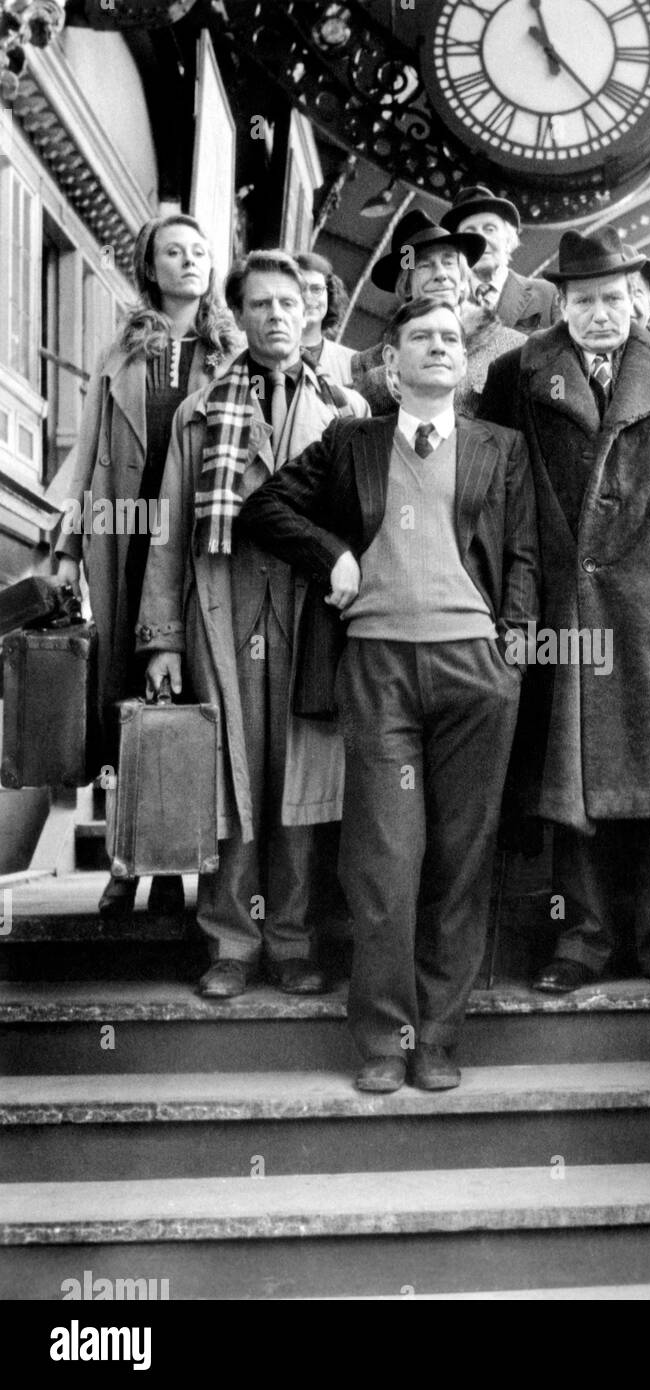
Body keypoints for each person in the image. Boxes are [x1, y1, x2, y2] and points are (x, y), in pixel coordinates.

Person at [238, 296, 539, 1092]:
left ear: (465, 362)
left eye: (450, 338)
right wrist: (330, 553)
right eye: (420, 338)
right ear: (392, 363)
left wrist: (511, 647)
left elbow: (528, 558)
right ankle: (382, 1040)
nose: (438, 347)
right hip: (377, 669)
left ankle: (437, 1038)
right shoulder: (351, 441)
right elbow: (262, 507)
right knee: (384, 860)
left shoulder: (498, 447)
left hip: (475, 670)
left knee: (460, 861)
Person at [478, 228, 650, 995]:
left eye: (613, 297)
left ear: (636, 299)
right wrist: (509, 605)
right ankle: (585, 940)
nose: (600, 312)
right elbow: (497, 494)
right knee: (575, 774)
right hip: (568, 605)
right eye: (583, 300)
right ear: (560, 305)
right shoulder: (516, 373)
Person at [136, 249, 369, 1000]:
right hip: (222, 611)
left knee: (302, 781)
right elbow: (169, 531)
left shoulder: (345, 413)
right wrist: (161, 640)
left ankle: (295, 941)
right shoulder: (198, 414)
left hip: (311, 619)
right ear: (237, 316)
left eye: (290, 303)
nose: (276, 315)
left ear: (312, 315)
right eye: (261, 304)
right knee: (232, 782)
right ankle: (232, 943)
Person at [54, 214, 239, 924]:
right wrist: (69, 548)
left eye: (199, 252)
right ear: (149, 268)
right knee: (128, 699)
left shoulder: (233, 349)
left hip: (201, 541)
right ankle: (129, 865)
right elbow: (88, 450)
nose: (189, 262)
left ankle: (172, 867)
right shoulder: (120, 354)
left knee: (190, 692)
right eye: (173, 252)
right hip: (127, 536)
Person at [351, 210, 524, 419]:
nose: (441, 274)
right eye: (425, 265)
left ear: (462, 278)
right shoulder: (368, 364)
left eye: (449, 262)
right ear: (406, 285)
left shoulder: (514, 348)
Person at [440, 183, 559, 333]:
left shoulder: (548, 295)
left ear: (508, 238)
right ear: (457, 249)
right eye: (469, 232)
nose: (481, 240)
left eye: (490, 229)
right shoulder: (445, 305)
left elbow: (584, 352)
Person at [293, 250, 356, 387]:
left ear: (330, 294)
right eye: (300, 289)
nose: (308, 298)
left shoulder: (352, 364)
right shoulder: (262, 356)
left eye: (316, 289)